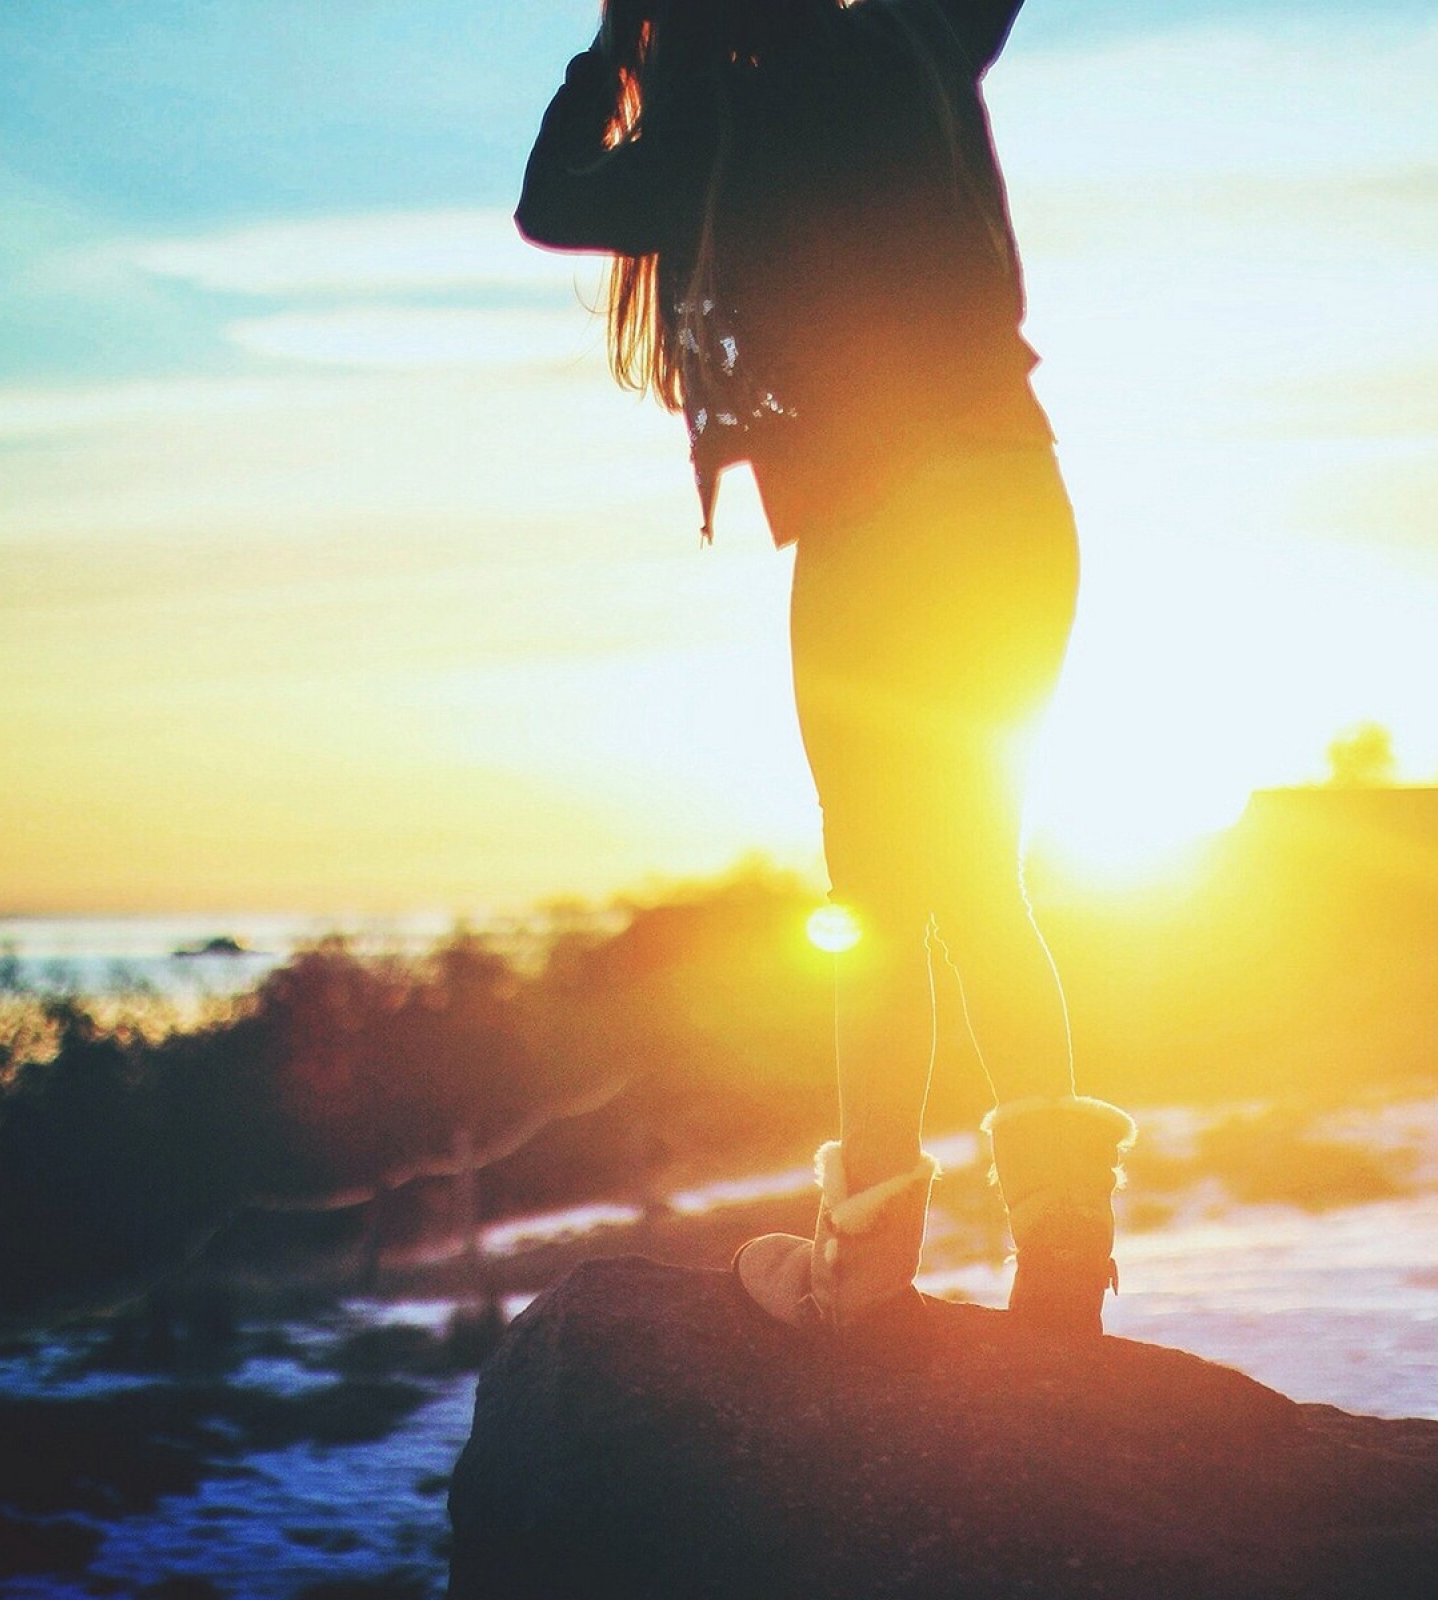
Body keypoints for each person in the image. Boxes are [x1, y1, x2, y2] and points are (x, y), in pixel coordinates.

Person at [516, 0, 1134, 1344]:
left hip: (881, 531)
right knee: (978, 878)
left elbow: (551, 199)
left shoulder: (713, 117)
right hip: (1020, 504)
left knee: (880, 896)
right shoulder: (908, 37)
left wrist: (614, 48)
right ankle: (1065, 1262)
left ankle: (865, 1263)